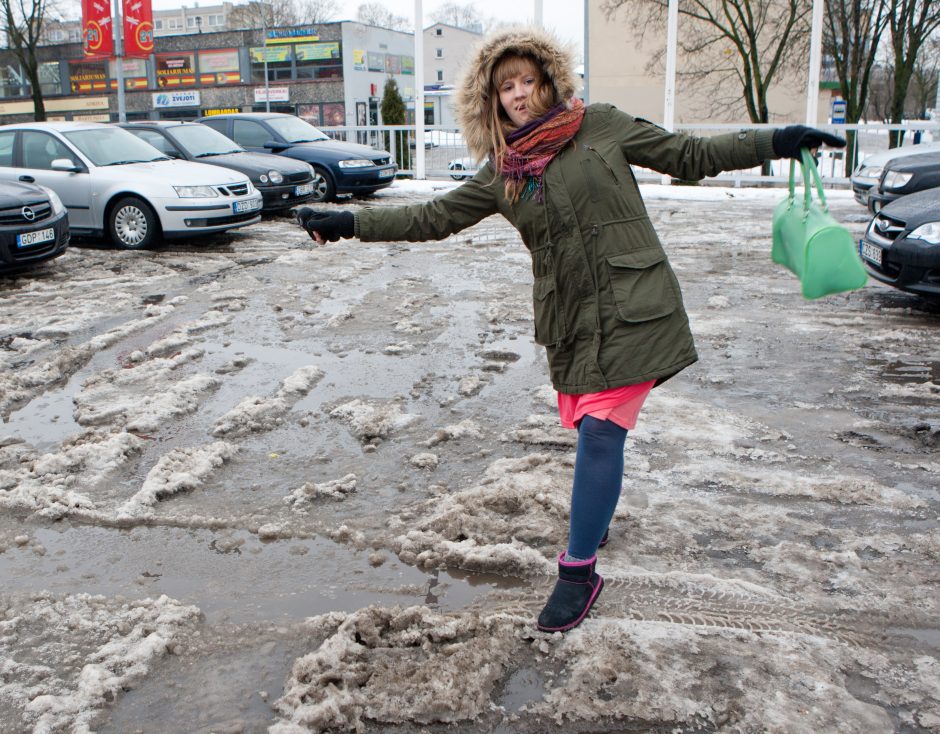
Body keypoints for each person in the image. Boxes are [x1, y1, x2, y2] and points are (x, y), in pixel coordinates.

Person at [296, 28, 845, 633]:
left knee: (602, 434)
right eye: (507, 87)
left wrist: (779, 138)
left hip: (636, 305)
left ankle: (578, 572)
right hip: (572, 318)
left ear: (549, 80)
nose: (520, 95)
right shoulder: (502, 173)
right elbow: (431, 216)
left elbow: (688, 154)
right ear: (492, 100)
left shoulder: (599, 125)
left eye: (528, 81)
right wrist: (350, 221)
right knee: (591, 429)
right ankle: (597, 516)